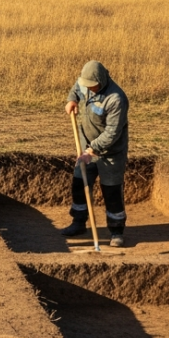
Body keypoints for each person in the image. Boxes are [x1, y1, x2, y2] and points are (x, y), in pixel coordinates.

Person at [61, 59, 129, 247]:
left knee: (111, 191)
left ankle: (116, 231)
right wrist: (71, 100)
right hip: (86, 147)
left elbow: (112, 133)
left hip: (110, 152)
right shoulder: (85, 84)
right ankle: (78, 223)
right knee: (79, 184)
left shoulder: (116, 99)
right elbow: (76, 88)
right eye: (87, 85)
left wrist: (92, 150)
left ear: (101, 80)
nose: (89, 88)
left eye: (93, 86)